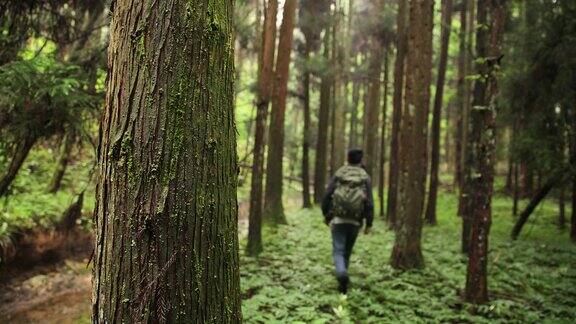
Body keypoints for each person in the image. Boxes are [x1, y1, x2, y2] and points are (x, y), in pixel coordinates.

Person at [322, 148, 374, 294]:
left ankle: (341, 274)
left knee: (338, 250)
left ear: (348, 158)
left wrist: (327, 215)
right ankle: (343, 280)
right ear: (360, 160)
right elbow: (369, 202)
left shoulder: (340, 173)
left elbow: (327, 196)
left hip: (338, 219)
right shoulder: (365, 176)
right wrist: (369, 223)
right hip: (355, 221)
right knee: (347, 250)